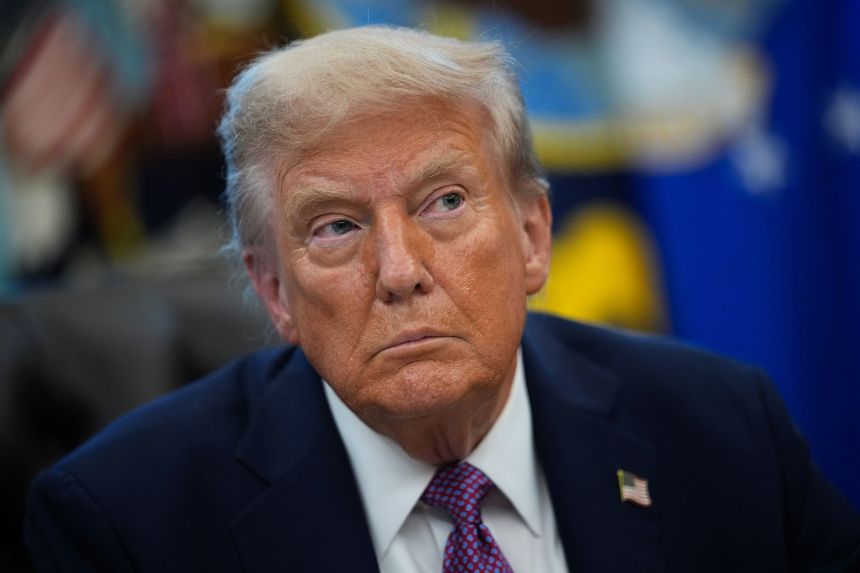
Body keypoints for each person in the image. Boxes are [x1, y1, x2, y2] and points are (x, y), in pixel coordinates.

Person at [24, 26, 859, 573]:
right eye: (336, 226)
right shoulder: (126, 526)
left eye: (445, 203)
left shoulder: (724, 432)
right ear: (273, 289)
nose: (399, 270)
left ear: (533, 235)